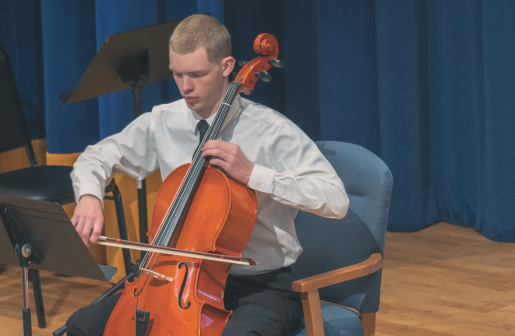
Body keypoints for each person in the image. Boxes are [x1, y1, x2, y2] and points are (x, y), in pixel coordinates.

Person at [66, 14, 349, 336]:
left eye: (197, 75)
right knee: (82, 326)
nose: (186, 87)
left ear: (227, 66)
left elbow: (336, 200)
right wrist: (89, 196)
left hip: (259, 287)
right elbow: (96, 156)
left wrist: (254, 174)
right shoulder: (164, 120)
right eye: (177, 75)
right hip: (173, 277)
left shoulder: (272, 131)